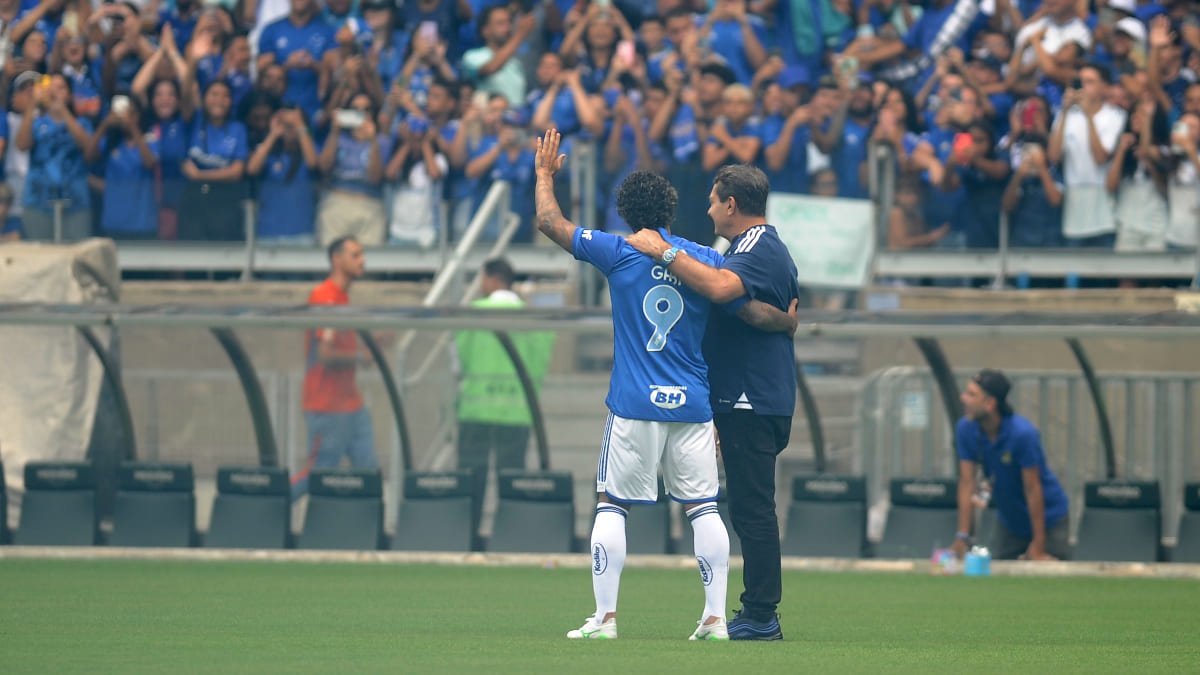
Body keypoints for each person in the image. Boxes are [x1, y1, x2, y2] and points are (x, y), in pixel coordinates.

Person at [534, 129, 796, 642]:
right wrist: (786, 321)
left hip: (634, 402)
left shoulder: (618, 250)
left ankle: (605, 619)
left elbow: (550, 222)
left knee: (612, 504)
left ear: (625, 214)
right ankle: (715, 619)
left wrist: (545, 175)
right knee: (705, 508)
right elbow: (742, 304)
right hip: (694, 405)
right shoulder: (706, 259)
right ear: (672, 211)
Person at [626, 164, 801, 641]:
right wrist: (784, 322)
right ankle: (757, 611)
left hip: (751, 397)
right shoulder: (749, 249)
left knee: (753, 509)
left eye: (712, 200)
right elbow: (751, 310)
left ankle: (761, 615)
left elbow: (722, 290)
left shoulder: (758, 246)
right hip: (746, 397)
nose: (707, 210)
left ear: (731, 204)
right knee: (748, 507)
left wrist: (664, 251)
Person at [453, 257, 555, 542]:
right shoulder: (534, 319)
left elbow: (459, 359)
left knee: (471, 480)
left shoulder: (472, 313)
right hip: (517, 410)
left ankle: (465, 538)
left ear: (490, 279)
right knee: (511, 481)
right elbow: (540, 363)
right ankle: (511, 538)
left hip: (476, 409)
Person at [291, 236, 378, 498]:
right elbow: (325, 354)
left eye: (362, 254)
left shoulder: (342, 298)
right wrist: (360, 356)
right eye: (355, 255)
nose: (362, 261)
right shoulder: (326, 298)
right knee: (319, 473)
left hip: (351, 404)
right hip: (327, 406)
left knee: (368, 473)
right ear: (336, 259)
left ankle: (365, 520)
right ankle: (273, 505)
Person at [951, 369, 1070, 561]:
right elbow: (967, 482)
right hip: (1011, 521)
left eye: (972, 395)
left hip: (1048, 520)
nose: (963, 398)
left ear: (990, 403)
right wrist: (962, 536)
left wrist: (1039, 544)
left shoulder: (1022, 434)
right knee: (1000, 573)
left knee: (1049, 573)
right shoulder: (965, 429)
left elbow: (1033, 488)